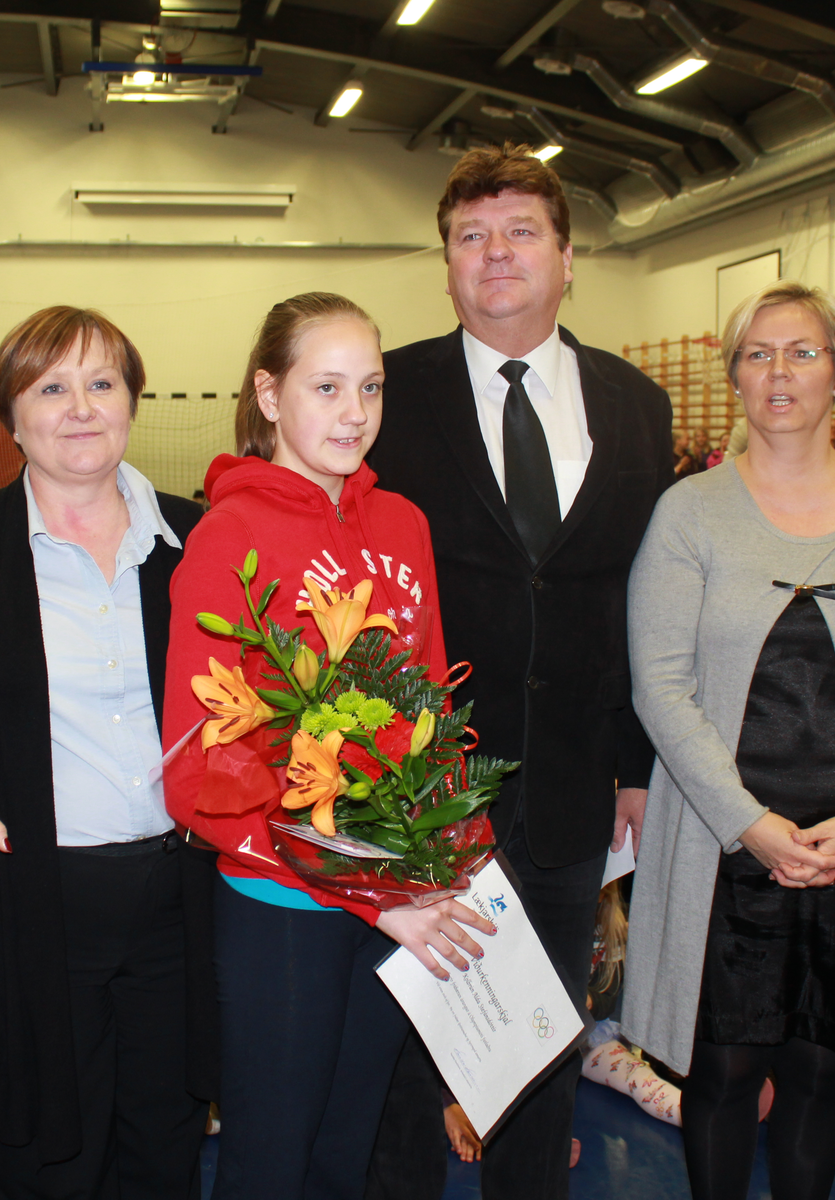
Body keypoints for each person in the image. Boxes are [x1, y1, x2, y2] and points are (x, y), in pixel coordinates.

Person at [367, 142, 673, 1198]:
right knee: (407, 1059)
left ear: (569, 258)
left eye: (521, 231)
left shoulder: (636, 404)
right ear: (447, 263)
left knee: (542, 1047)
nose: (496, 252)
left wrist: (637, 764)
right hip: (417, 792)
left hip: (572, 786)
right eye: (472, 235)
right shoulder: (386, 392)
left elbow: (639, 594)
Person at [164, 292, 495, 1200]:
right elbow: (197, 771)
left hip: (398, 900)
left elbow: (431, 716)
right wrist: (366, 892)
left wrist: (447, 857)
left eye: (371, 387)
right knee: (271, 1166)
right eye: (327, 387)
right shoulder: (228, 536)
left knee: (345, 1159)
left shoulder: (404, 524)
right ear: (269, 396)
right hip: (285, 906)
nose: (355, 413)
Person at [622, 280, 835, 1200]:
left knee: (818, 1071)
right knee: (722, 1074)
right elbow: (661, 686)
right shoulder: (689, 512)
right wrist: (749, 824)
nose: (779, 372)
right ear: (734, 376)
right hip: (725, 848)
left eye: (802, 351)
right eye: (757, 354)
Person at [0, 306, 210, 1200]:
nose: (80, 408)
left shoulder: (200, 539)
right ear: (10, 414)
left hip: (181, 902)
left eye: (102, 383)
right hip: (32, 906)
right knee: (48, 1161)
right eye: (51, 388)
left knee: (166, 1150)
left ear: (133, 401)